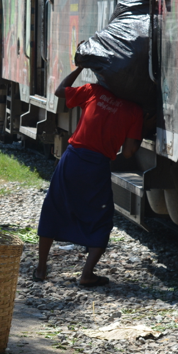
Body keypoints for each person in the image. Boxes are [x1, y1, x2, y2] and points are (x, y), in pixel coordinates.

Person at [33, 65, 142, 288]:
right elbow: (129, 151)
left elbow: (60, 90)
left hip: (72, 159)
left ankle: (41, 268)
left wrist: (80, 66)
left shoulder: (94, 91)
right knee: (100, 218)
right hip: (97, 165)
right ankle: (87, 274)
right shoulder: (135, 110)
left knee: (54, 208)